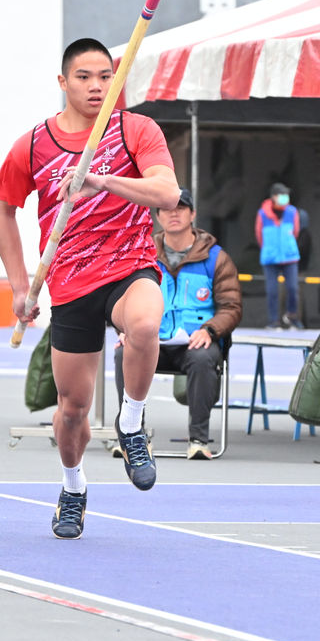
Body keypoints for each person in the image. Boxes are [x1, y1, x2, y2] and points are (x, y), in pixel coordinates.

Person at [0, 37, 179, 540]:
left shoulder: (135, 130)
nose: (96, 86)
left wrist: (103, 181)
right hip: (71, 283)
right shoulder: (33, 144)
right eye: (84, 77)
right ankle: (73, 488)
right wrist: (19, 286)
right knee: (72, 410)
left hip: (129, 267)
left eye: (105, 77)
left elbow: (167, 193)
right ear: (62, 82)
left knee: (146, 324)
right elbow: (3, 209)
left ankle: (131, 423)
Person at [113, 187, 242, 460]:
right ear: (158, 216)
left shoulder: (216, 258)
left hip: (194, 343)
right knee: (124, 352)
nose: (174, 213)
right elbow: (120, 297)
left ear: (192, 214)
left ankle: (199, 440)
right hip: (151, 339)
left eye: (181, 208)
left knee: (203, 357)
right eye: (167, 209)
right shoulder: (142, 253)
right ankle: (133, 435)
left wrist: (210, 330)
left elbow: (231, 306)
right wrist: (124, 328)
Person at [255, 182, 303, 329]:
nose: (285, 197)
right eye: (282, 194)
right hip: (270, 257)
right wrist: (269, 248)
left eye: (286, 194)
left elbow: (296, 232)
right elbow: (259, 235)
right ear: (274, 197)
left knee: (293, 288)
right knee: (272, 290)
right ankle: (273, 320)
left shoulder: (292, 212)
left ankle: (292, 317)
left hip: (289, 256)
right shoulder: (262, 213)